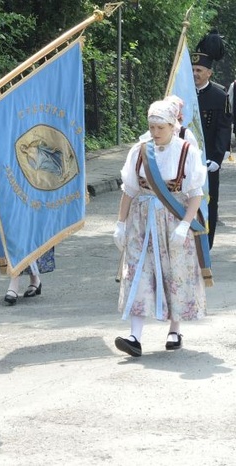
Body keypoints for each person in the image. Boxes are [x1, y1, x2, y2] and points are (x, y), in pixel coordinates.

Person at [112, 100, 207, 357]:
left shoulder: (187, 151)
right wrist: (121, 224)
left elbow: (195, 194)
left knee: (174, 273)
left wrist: (185, 224)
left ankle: (174, 330)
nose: (154, 132)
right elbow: (129, 191)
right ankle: (135, 336)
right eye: (151, 127)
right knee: (136, 272)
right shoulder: (140, 151)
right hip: (141, 222)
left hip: (173, 220)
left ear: (172, 125)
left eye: (160, 127)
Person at [192, 29, 231, 249]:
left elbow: (224, 128)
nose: (195, 74)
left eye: (199, 70)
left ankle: (206, 246)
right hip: (184, 160)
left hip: (208, 162)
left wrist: (216, 158)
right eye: (193, 69)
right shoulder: (183, 94)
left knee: (209, 203)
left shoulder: (220, 96)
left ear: (209, 73)